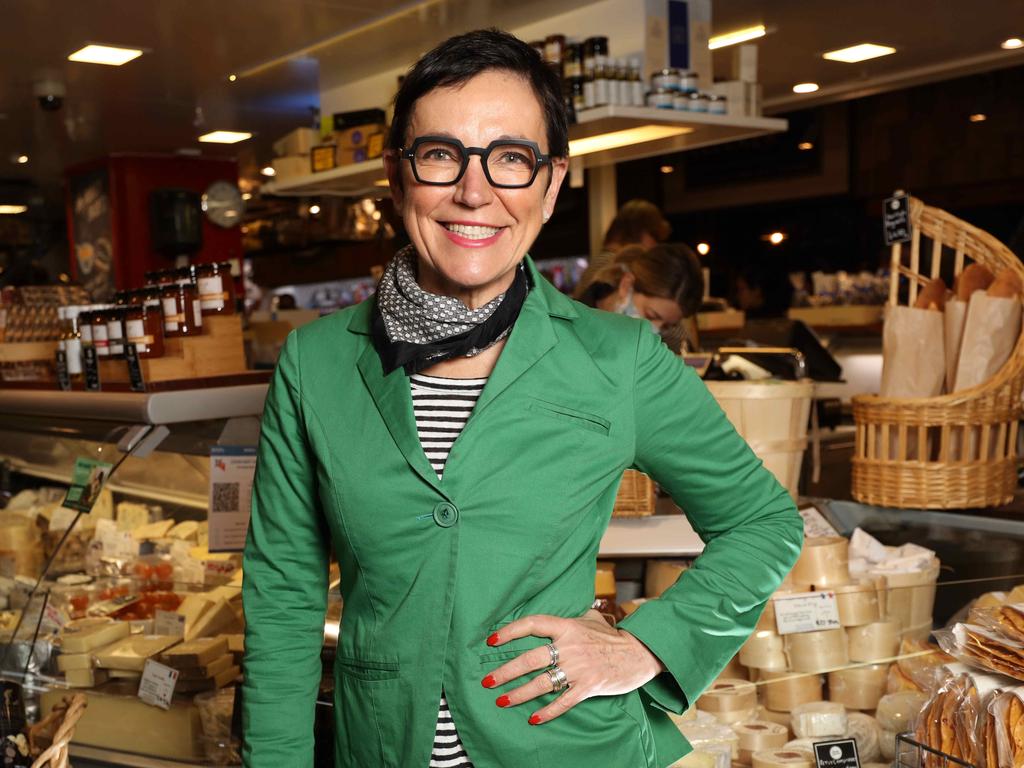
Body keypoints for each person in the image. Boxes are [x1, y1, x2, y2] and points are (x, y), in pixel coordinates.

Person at [242, 28, 802, 768]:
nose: (474, 192)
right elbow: (284, 594)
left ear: (552, 180)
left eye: (511, 158)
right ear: (396, 174)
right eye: (441, 155)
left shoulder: (618, 357)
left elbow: (763, 522)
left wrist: (645, 646)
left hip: (572, 747)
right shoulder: (316, 363)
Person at [573, 242, 704, 334]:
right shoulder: (572, 327)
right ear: (626, 284)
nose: (655, 331)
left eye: (666, 327)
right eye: (650, 315)